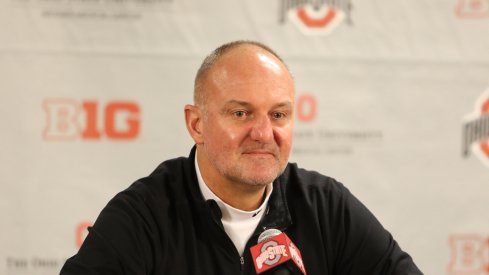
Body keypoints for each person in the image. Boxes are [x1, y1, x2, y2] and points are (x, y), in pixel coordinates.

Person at [60, 40, 423, 274]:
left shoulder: (326, 207)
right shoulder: (143, 217)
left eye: (278, 114)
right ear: (197, 124)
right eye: (241, 114)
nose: (264, 134)